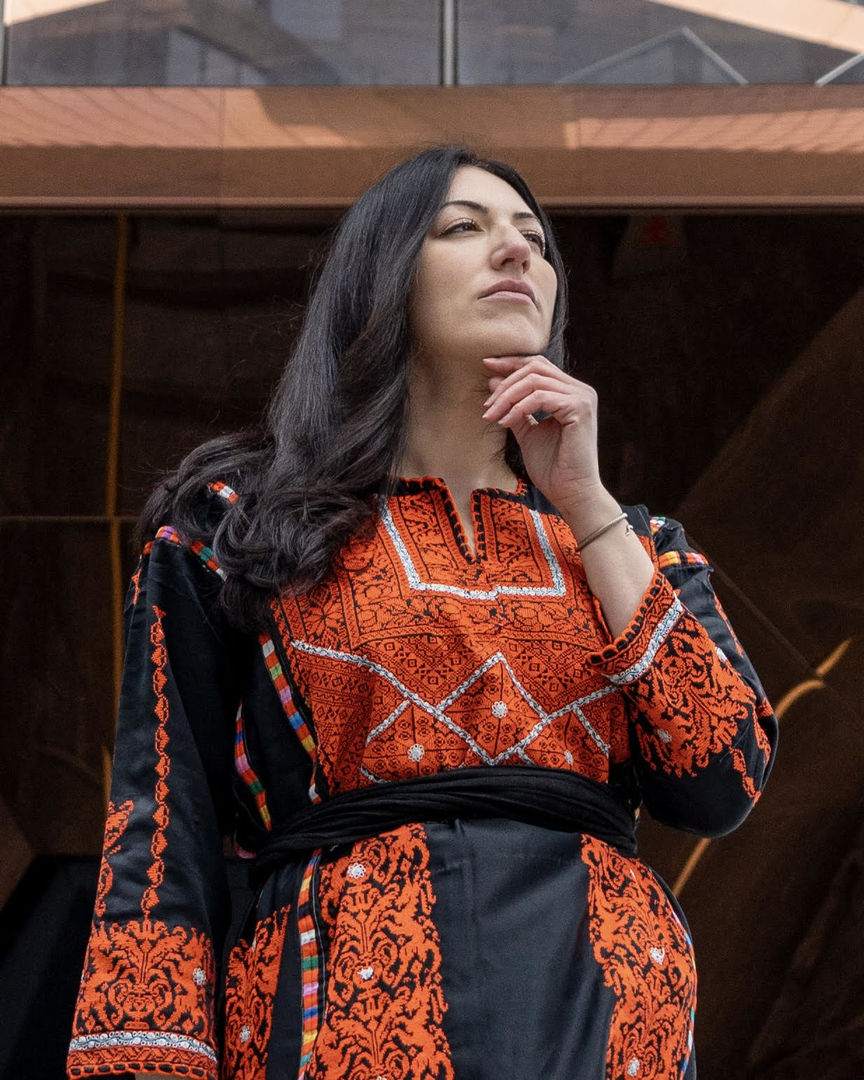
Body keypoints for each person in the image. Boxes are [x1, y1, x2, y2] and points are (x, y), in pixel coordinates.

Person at [67, 147, 777, 1080]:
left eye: (536, 239)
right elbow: (166, 824)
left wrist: (592, 507)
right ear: (382, 276)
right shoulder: (236, 524)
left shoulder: (632, 545)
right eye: (465, 228)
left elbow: (721, 779)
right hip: (341, 1023)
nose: (517, 253)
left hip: (607, 1025)